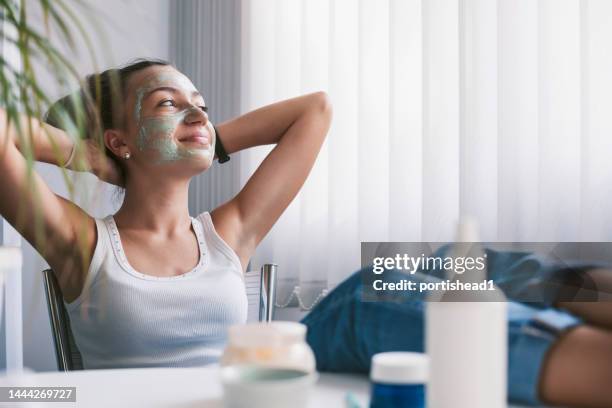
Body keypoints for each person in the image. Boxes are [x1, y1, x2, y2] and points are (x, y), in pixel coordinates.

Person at [0, 58, 610, 407]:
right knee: (378, 288)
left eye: (202, 103)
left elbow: (315, 108)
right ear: (119, 138)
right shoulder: (83, 242)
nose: (198, 113)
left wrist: (207, 138)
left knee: (421, 266)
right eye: (167, 104)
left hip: (266, 393)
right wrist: (90, 154)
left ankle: (585, 291)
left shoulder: (225, 233)